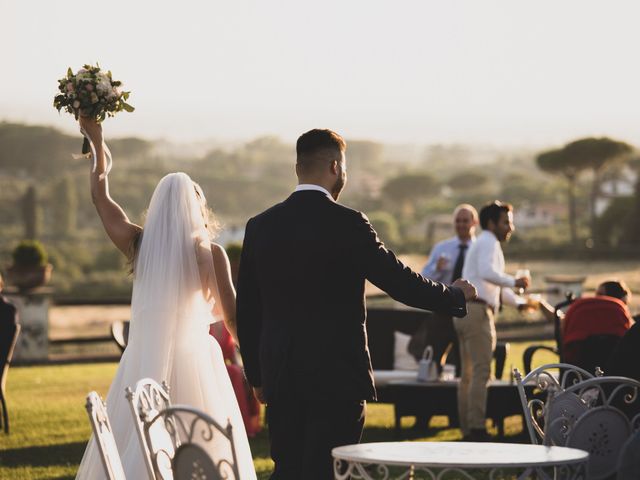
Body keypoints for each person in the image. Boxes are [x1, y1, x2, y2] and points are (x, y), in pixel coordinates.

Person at [236, 128, 477, 479]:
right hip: (337, 375)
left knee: (288, 470)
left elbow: (248, 309)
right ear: (335, 167)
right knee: (332, 471)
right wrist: (454, 294)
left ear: (298, 168)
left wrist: (257, 375)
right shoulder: (348, 223)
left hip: (281, 374)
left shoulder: (260, 226)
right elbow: (399, 282)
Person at [75, 118, 256, 479]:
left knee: (138, 440)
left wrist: (96, 141)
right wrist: (255, 363)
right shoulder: (212, 254)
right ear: (197, 209)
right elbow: (232, 316)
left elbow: (100, 197)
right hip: (197, 362)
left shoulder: (139, 246)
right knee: (204, 447)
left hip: (141, 361)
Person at [457, 201, 529, 442]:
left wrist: (519, 303)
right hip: (477, 313)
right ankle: (476, 430)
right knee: (480, 372)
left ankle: (467, 429)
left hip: (465, 311)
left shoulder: (484, 242)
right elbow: (489, 273)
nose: (511, 227)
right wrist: (515, 282)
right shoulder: (489, 241)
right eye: (506, 222)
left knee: (468, 375)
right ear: (491, 223)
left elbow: (491, 284)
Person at [410, 204, 478, 367]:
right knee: (434, 359)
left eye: (465, 221)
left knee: (465, 363)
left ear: (474, 222)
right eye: (458, 221)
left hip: (470, 313)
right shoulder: (441, 248)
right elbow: (424, 277)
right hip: (443, 312)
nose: (461, 224)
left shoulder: (479, 250)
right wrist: (437, 268)